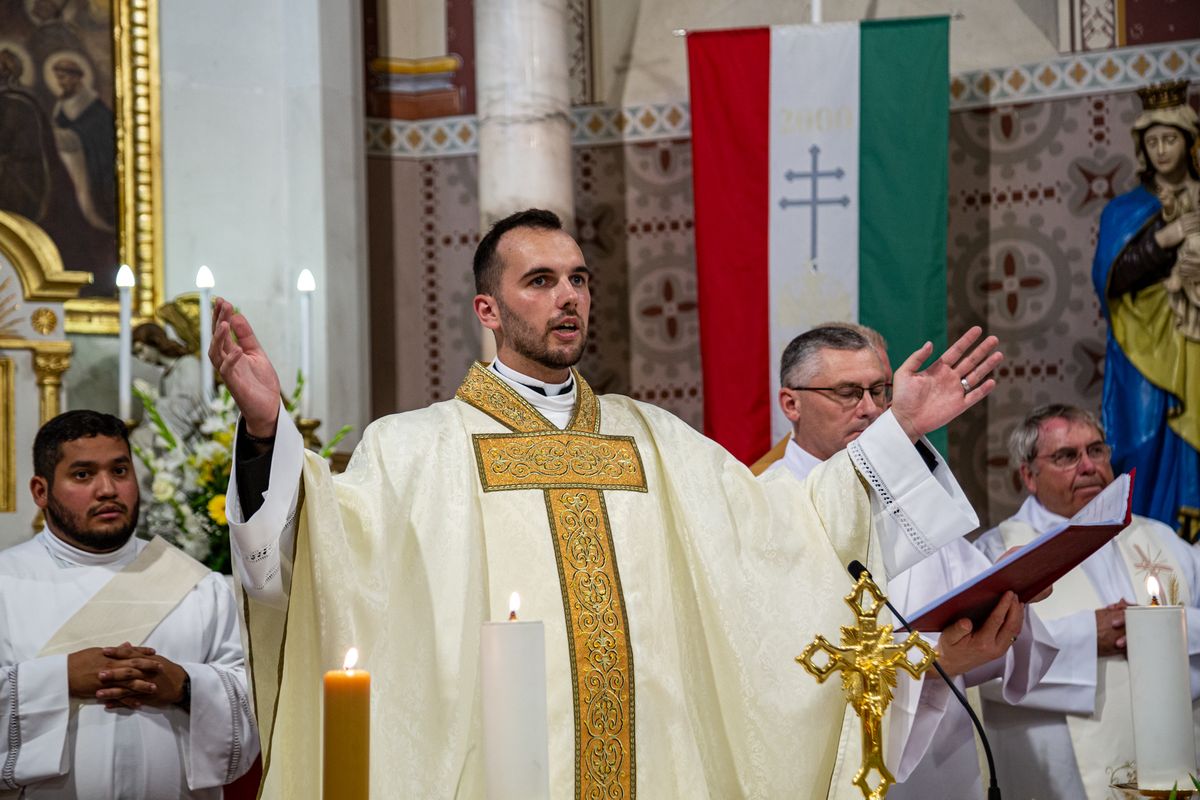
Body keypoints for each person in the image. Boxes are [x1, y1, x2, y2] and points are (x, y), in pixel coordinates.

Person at [211, 208, 1003, 798]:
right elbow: (322, 558)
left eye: (579, 280)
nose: (569, 298)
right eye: (541, 281)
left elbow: (784, 531)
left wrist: (894, 428)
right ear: (488, 310)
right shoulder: (418, 447)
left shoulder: (653, 440)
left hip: (657, 768)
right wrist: (265, 427)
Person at [768, 325, 1057, 798]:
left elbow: (973, 637)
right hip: (830, 775)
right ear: (790, 404)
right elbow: (786, 669)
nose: (870, 408)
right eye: (846, 392)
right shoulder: (767, 506)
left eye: (881, 391)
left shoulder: (908, 496)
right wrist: (931, 659)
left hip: (944, 771)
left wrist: (1008, 592)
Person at [0, 411, 258, 799]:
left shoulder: (199, 586)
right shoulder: (6, 582)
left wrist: (186, 687)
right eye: (83, 475)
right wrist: (61, 677)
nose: (107, 489)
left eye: (120, 471)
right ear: (41, 491)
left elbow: (255, 700)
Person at [974, 404, 1200, 799]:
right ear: (1029, 475)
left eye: (1097, 450)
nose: (1088, 466)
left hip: (1173, 754)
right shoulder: (998, 552)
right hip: (1056, 772)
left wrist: (1155, 629)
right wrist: (1085, 636)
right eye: (1066, 456)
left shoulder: (1158, 539)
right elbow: (973, 666)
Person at [1092, 79, 1200, 539]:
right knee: (1145, 439)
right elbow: (1112, 278)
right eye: (1151, 141)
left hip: (1194, 334)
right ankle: (1154, 534)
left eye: (1170, 139)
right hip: (1145, 343)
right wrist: (1167, 239)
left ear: (1189, 142)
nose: (1161, 150)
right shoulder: (1127, 209)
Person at [49, 55, 115, 235]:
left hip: (91, 168)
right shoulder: (62, 102)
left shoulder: (95, 108)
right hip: (68, 163)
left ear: (76, 78)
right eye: (57, 77)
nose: (60, 82)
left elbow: (100, 140)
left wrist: (65, 136)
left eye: (63, 77)